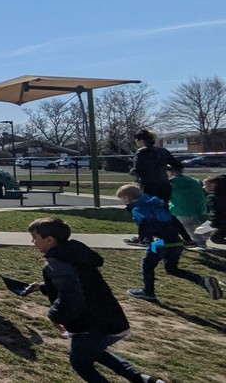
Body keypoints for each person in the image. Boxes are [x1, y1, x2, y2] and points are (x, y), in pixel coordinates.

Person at [23, 217, 167, 383]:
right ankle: (143, 379)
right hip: (110, 316)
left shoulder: (56, 264)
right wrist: (42, 287)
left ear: (49, 240)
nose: (32, 242)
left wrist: (55, 316)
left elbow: (71, 295)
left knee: (79, 361)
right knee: (93, 352)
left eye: (35, 238)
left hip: (90, 323)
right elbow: (79, 282)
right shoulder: (74, 253)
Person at [115, 184, 221, 302]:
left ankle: (148, 291)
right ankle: (202, 281)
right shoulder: (157, 204)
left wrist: (143, 239)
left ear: (127, 198)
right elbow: (175, 220)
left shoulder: (138, 208)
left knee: (147, 265)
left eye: (122, 199)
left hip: (159, 243)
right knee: (171, 268)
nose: (122, 201)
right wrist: (187, 238)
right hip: (176, 242)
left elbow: (144, 225)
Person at [126, 129, 192, 244]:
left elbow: (137, 170)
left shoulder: (141, 152)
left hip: (149, 185)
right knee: (165, 211)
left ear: (140, 140)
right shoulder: (163, 151)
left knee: (144, 211)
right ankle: (186, 238)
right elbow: (177, 165)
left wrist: (130, 171)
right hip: (164, 185)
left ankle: (144, 238)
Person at [167, 162, 208, 248]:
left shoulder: (171, 183)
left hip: (181, 210)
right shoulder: (195, 180)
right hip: (200, 208)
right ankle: (202, 239)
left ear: (171, 172)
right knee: (197, 225)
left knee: (187, 227)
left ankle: (199, 243)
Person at [202, 174, 226, 245]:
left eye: (205, 185)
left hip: (222, 223)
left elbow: (218, 212)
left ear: (213, 185)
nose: (203, 187)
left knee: (215, 238)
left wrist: (214, 223)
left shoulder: (213, 198)